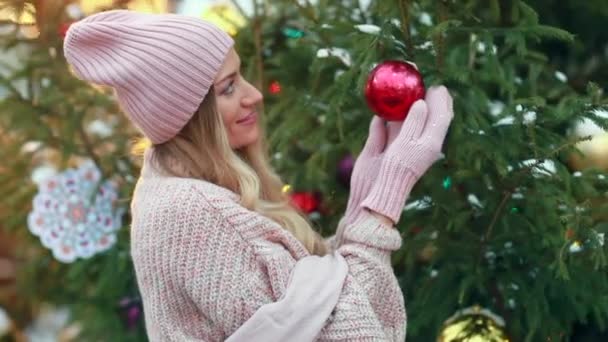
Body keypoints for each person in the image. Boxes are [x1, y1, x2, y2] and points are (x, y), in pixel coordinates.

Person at [63, 9, 454, 342]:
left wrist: (361, 205)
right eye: (228, 87)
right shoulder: (192, 212)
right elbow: (337, 331)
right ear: (189, 115)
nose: (254, 95)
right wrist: (385, 203)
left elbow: (307, 306)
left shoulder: (176, 191)